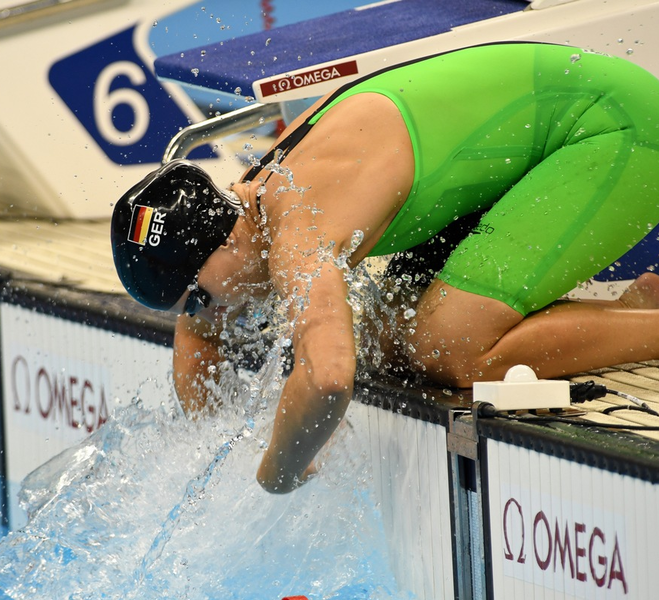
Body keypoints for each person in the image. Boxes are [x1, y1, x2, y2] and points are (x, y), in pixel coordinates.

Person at [112, 42, 659, 493]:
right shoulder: (252, 200)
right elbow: (198, 334)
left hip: (619, 131)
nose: (213, 315)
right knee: (384, 339)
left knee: (448, 345)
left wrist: (274, 473)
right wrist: (212, 451)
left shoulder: (298, 228)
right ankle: (627, 319)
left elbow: (328, 380)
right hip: (536, 150)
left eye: (202, 297)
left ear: (224, 243)